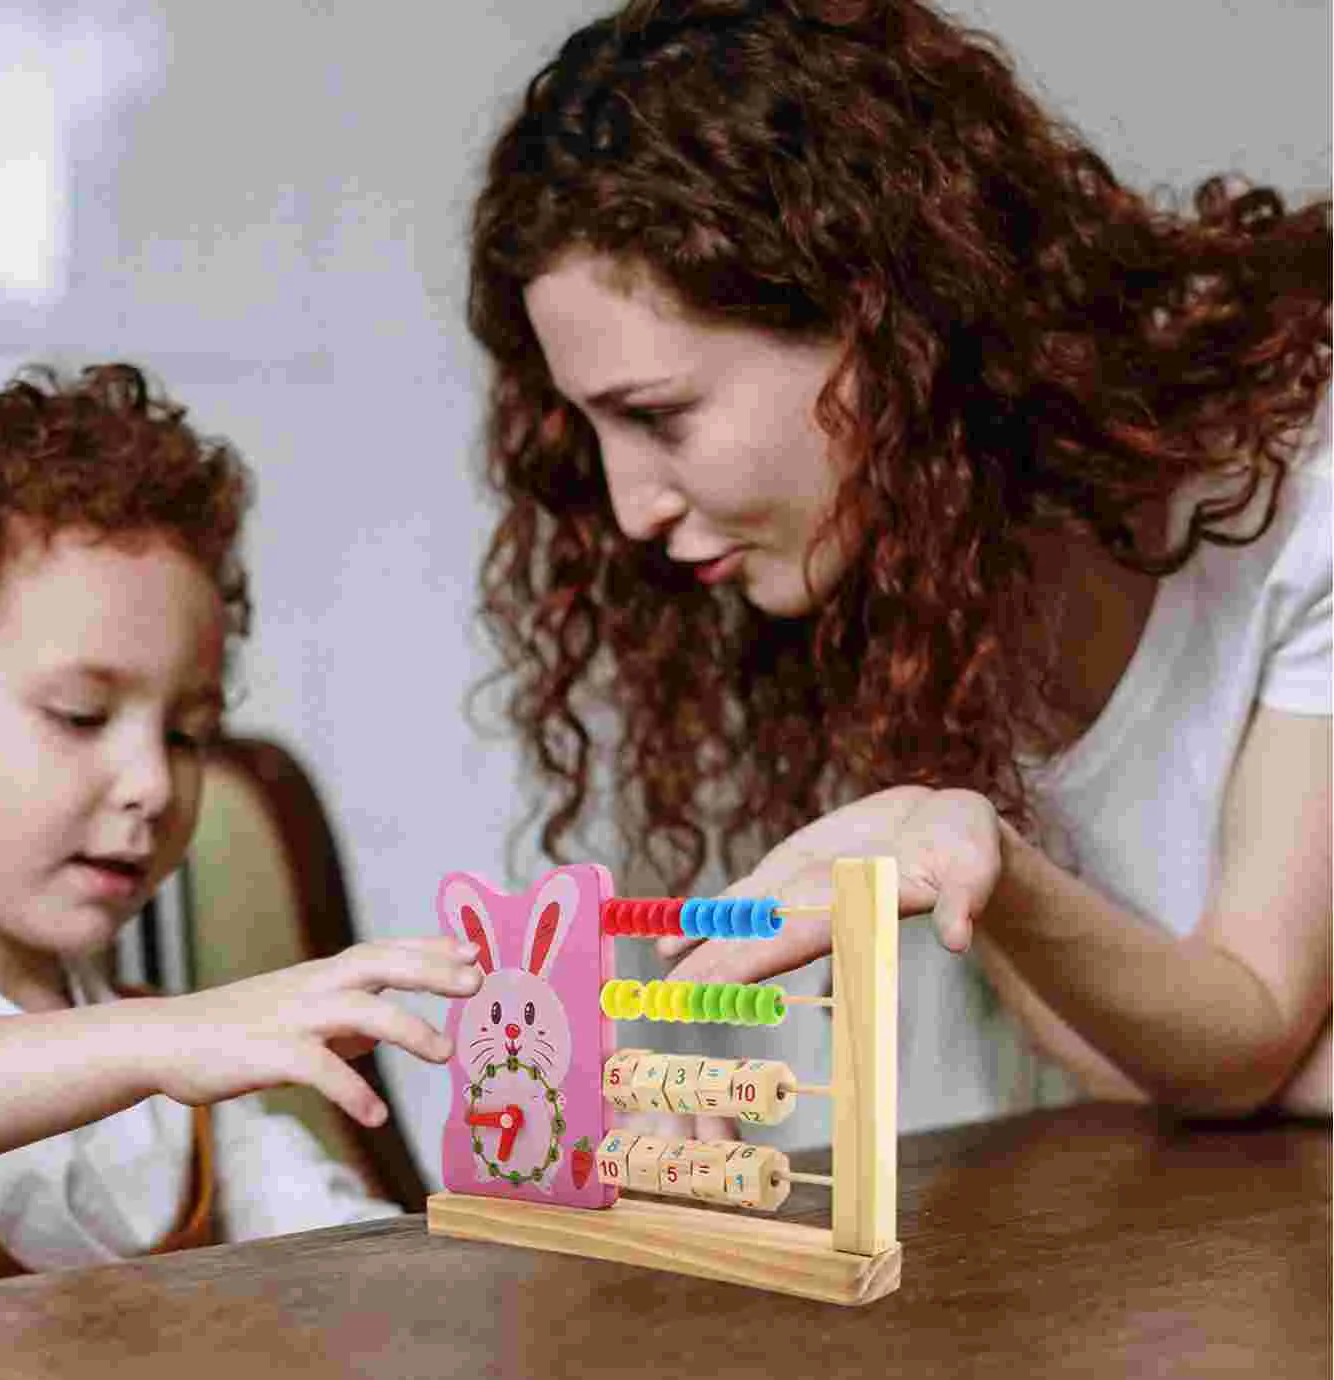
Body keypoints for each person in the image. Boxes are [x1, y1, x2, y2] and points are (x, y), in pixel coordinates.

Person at [465, 0, 1331, 1120]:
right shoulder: (897, 584)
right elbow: (1159, 1067)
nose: (628, 507)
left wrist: (999, 871)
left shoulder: (1304, 480)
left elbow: (1242, 1032)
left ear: (880, 330)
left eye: (659, 415)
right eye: (592, 429)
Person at [0, 363, 483, 1380]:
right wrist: (160, 1041)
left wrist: (577, 1184)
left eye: (185, 733)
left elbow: (376, 1287)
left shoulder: (172, 1069)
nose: (152, 784)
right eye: (82, 716)